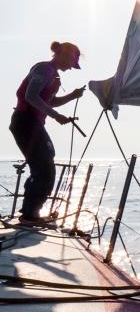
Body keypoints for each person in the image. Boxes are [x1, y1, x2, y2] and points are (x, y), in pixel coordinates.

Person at [9, 41, 85, 224]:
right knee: (44, 167)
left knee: (44, 163)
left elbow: (48, 101)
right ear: (63, 55)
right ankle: (29, 215)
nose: (71, 68)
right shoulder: (44, 70)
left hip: (32, 124)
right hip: (25, 122)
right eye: (71, 63)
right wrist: (56, 116)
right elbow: (30, 96)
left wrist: (71, 96)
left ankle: (30, 211)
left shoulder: (53, 75)